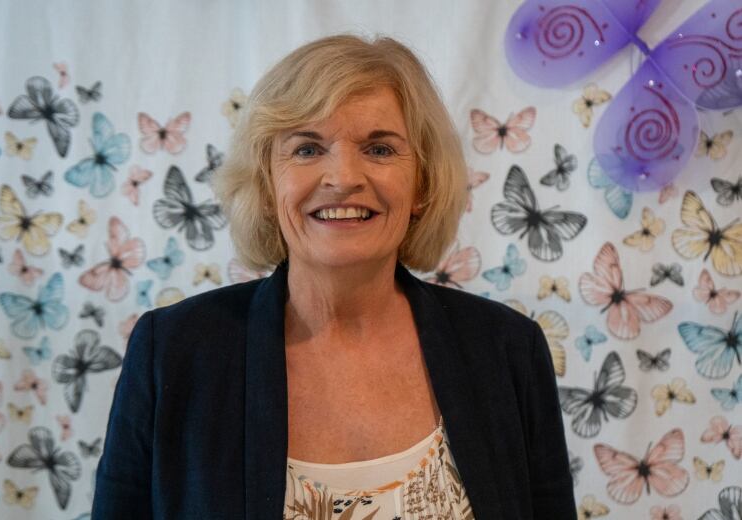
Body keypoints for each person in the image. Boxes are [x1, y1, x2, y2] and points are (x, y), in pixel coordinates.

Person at [92, 34, 576, 519]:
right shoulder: (172, 352)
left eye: (380, 149)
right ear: (265, 185)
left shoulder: (508, 350)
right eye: (306, 149)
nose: (343, 177)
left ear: (423, 184)